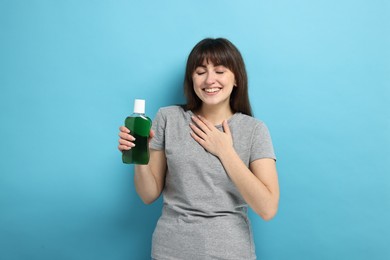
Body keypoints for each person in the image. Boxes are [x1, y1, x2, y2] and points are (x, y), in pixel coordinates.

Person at [118, 38, 280, 260]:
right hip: (170, 251)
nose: (210, 79)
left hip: (230, 252)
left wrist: (225, 151)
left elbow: (267, 208)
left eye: (220, 71)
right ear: (191, 79)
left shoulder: (254, 130)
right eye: (201, 71)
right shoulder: (168, 118)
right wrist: (140, 155)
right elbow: (148, 195)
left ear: (236, 79)